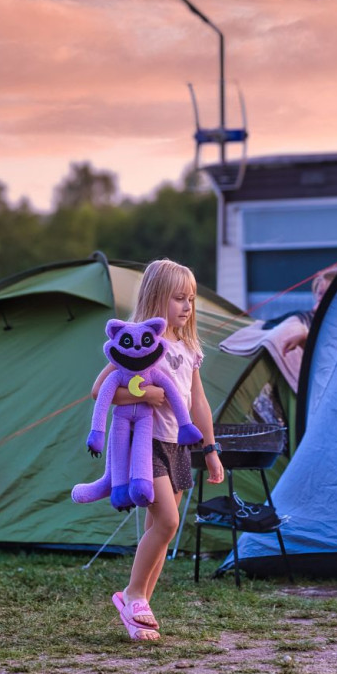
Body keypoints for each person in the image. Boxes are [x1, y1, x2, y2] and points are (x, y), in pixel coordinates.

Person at [92, 258, 224, 641]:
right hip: (144, 444)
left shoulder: (189, 347)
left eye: (192, 299)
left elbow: (198, 401)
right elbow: (100, 390)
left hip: (177, 445)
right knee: (167, 521)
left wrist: (210, 448)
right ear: (156, 297)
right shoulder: (140, 342)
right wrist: (144, 392)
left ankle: (138, 610)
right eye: (180, 298)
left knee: (160, 530)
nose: (187, 306)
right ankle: (132, 593)